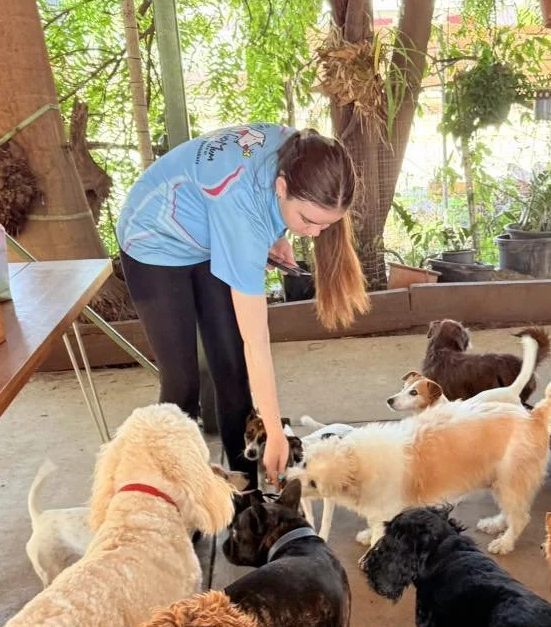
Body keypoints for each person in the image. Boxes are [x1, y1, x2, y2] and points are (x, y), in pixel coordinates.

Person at [117, 124, 369, 485]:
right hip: (153, 240)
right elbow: (258, 343)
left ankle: (242, 494)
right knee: (182, 382)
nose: (314, 234)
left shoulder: (300, 153)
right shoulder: (241, 212)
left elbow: (267, 205)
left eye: (325, 226)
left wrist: (279, 232)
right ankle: (176, 491)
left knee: (232, 369)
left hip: (209, 232)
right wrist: (275, 432)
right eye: (308, 222)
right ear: (282, 188)